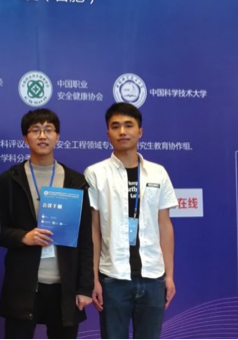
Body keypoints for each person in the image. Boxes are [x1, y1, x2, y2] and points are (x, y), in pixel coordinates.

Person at [0, 109, 93, 339]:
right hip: (23, 286)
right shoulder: (10, 180)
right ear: (25, 138)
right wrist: (23, 237)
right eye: (35, 130)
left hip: (64, 287)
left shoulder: (75, 181)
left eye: (48, 130)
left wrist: (84, 287)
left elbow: (85, 239)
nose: (42, 135)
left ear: (57, 136)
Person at [86, 103, 177, 340]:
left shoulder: (158, 173)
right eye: (115, 126)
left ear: (140, 131)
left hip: (153, 276)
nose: (122, 132)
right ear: (108, 133)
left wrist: (168, 276)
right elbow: (93, 230)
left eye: (129, 125)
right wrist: (93, 279)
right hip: (113, 277)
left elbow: (165, 225)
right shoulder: (95, 173)